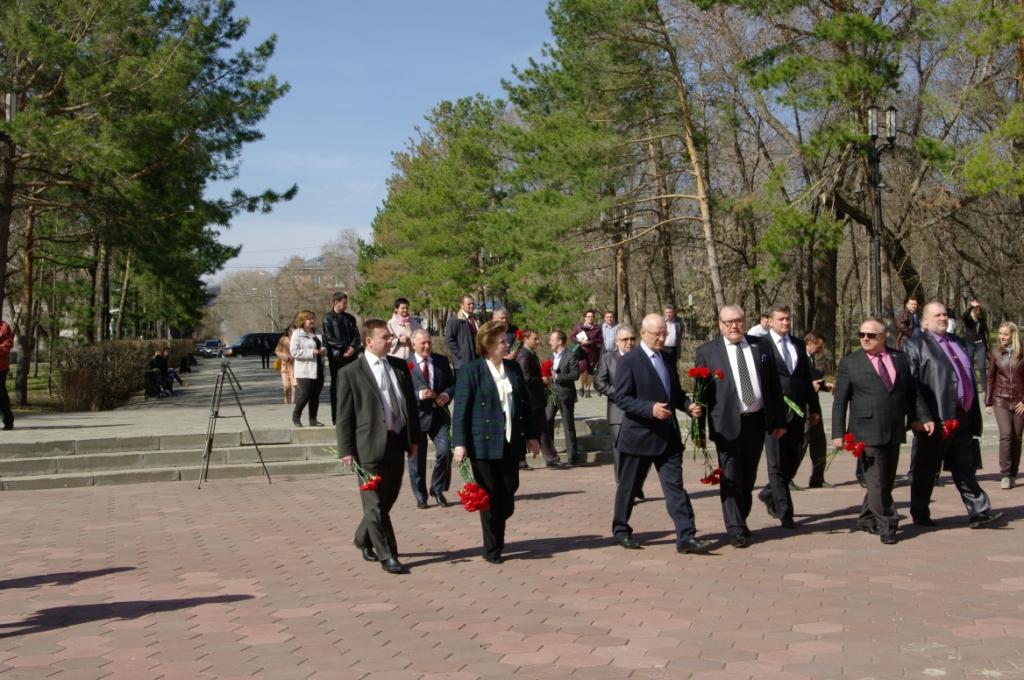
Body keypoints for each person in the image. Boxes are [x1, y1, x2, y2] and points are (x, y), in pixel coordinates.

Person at [612, 313, 712, 554]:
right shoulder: (629, 361)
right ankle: (621, 530)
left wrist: (688, 406)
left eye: (664, 334)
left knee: (675, 488)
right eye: (657, 334)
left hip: (668, 437)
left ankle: (686, 536)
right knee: (629, 487)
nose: (661, 338)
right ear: (643, 333)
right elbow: (622, 398)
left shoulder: (667, 357)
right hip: (639, 436)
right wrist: (650, 409)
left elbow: (674, 393)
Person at [694, 305, 786, 548]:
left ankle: (740, 518)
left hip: (756, 421)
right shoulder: (707, 352)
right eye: (729, 322)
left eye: (738, 321)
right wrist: (698, 429)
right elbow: (700, 394)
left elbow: (773, 385)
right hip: (725, 423)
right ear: (720, 324)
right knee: (731, 475)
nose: (734, 326)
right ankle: (735, 527)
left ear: (745, 322)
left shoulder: (761, 345)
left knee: (749, 474)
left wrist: (778, 420)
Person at [904, 301, 1000, 528]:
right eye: (937, 315)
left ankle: (979, 511)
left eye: (944, 314)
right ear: (925, 321)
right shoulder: (916, 345)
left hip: (963, 416)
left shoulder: (958, 342)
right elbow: (911, 385)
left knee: (965, 466)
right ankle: (920, 511)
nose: (942, 318)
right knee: (926, 468)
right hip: (935, 418)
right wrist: (920, 416)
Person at [452, 320, 541, 564]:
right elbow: (461, 410)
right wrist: (459, 443)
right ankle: (492, 548)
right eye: (502, 341)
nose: (507, 344)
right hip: (483, 444)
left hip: (511, 441)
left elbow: (524, 406)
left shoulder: (513, 368)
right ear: (488, 345)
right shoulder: (471, 370)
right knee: (489, 496)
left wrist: (532, 436)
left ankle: (497, 530)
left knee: (508, 492)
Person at [337, 319, 420, 575]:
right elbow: (344, 415)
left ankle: (363, 537)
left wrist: (414, 439)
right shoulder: (350, 372)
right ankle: (388, 555)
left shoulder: (399, 366)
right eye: (384, 337)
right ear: (368, 341)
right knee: (373, 503)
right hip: (368, 445)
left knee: (387, 498)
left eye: (390, 336)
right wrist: (346, 449)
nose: (390, 341)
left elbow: (410, 405)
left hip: (396, 441)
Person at [831, 318, 916, 544]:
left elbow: (911, 393)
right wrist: (838, 433)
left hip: (893, 428)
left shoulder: (899, 358)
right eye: (861, 335)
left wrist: (920, 418)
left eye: (871, 335)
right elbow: (840, 401)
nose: (865, 339)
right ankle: (888, 523)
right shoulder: (851, 362)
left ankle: (867, 517)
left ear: (883, 337)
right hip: (865, 431)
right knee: (877, 480)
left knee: (885, 480)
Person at [757, 304, 821, 528]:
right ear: (770, 321)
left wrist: (814, 408)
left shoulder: (798, 344)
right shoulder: (761, 346)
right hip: (774, 413)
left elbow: (805, 380)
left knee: (792, 461)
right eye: (781, 319)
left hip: (797, 412)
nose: (786, 322)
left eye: (788, 319)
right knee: (775, 463)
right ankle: (785, 511)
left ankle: (769, 492)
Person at [594, 325, 645, 499]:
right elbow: (599, 383)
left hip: (640, 412)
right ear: (617, 341)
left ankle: (636, 485)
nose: (629, 343)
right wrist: (620, 395)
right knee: (621, 453)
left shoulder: (642, 358)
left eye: (632, 339)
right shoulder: (608, 359)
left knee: (640, 453)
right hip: (618, 414)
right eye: (625, 339)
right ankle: (624, 491)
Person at [407, 329, 455, 508]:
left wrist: (446, 394)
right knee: (416, 461)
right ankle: (421, 496)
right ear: (413, 344)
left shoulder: (441, 361)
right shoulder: (405, 364)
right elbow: (400, 391)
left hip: (439, 416)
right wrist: (419, 395)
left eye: (429, 342)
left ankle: (437, 488)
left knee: (444, 452)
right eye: (423, 343)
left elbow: (452, 384)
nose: (427, 346)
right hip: (416, 418)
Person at [515, 330, 565, 468]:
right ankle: (521, 461)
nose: (538, 341)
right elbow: (526, 378)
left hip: (536, 400)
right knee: (527, 430)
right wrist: (542, 380)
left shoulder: (531, 354)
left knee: (543, 429)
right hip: (529, 400)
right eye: (535, 339)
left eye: (537, 339)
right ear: (525, 339)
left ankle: (551, 458)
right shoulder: (524, 355)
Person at [985, 322, 1024, 489]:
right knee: (1006, 434)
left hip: (1020, 401)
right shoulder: (995, 352)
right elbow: (990, 377)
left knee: (1017, 437)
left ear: (1013, 335)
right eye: (1000, 333)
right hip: (1000, 399)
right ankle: (1006, 474)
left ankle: (1013, 473)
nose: (1001, 337)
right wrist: (988, 401)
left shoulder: (1022, 353)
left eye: (1005, 334)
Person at [323, 292, 361, 425]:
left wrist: (352, 348)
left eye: (346, 303)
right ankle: (336, 416)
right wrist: (344, 348)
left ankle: (352, 415)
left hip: (351, 356)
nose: (346, 305)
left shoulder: (350, 318)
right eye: (344, 303)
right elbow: (329, 337)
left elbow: (357, 336)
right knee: (337, 386)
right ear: (336, 302)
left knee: (352, 385)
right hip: (337, 357)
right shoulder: (328, 318)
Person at [803, 331, 834, 488]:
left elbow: (813, 380)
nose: (820, 350)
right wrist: (811, 386)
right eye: (818, 346)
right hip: (803, 406)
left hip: (814, 405)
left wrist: (824, 386)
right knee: (801, 444)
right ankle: (787, 478)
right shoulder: (799, 358)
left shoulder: (811, 358)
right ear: (809, 343)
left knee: (819, 443)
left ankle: (817, 478)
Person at [546, 331, 580, 465]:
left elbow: (575, 374)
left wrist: (558, 377)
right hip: (551, 394)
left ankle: (572, 456)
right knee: (548, 420)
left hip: (565, 394)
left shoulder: (570, 355)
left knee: (568, 424)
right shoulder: (550, 356)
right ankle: (551, 455)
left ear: (560, 342)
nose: (550, 342)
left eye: (552, 340)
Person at [290, 310, 326, 428]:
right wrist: (312, 352)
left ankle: (313, 419)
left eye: (313, 318)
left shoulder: (318, 332)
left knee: (315, 395)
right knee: (306, 393)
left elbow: (323, 346)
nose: (312, 320)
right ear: (302, 320)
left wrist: (323, 351)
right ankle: (296, 416)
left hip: (318, 367)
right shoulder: (297, 334)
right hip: (304, 369)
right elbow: (294, 352)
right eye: (309, 318)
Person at [571, 310, 602, 398]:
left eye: (592, 316)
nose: (590, 318)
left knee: (590, 371)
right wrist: (578, 340)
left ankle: (587, 390)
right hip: (582, 352)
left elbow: (600, 340)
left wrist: (590, 342)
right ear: (585, 317)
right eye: (588, 316)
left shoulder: (597, 328)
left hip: (593, 352)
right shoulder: (578, 326)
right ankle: (581, 387)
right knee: (583, 370)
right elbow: (572, 337)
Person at [444, 294, 478, 374]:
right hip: (462, 365)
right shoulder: (455, 320)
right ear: (461, 305)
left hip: (476, 361)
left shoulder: (475, 319)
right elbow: (449, 340)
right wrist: (461, 354)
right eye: (469, 304)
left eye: (473, 303)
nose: (472, 306)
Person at [961, 299, 990, 389]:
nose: (976, 311)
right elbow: (964, 316)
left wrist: (986, 349)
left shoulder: (982, 320)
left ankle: (984, 386)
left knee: (982, 366)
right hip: (970, 343)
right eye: (975, 309)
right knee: (970, 365)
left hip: (980, 344)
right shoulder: (968, 319)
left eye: (978, 309)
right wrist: (971, 306)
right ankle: (972, 384)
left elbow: (983, 334)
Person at [275, 326, 297, 404]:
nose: (292, 333)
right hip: (285, 365)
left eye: (294, 331)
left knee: (294, 384)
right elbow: (277, 351)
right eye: (291, 331)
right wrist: (286, 356)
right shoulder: (283, 339)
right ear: (288, 332)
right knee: (287, 385)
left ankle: (293, 401)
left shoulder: (298, 339)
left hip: (295, 365)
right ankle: (286, 397)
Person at [662, 305, 683, 369]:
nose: (668, 314)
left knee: (673, 367)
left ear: (673, 313)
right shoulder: (661, 321)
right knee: (664, 367)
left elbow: (680, 333)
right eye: (667, 312)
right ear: (664, 313)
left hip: (675, 349)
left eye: (670, 312)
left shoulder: (679, 321)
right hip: (663, 348)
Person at [0, 318, 12, 429]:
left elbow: (7, 345)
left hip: (1, 366)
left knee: (1, 394)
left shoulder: (4, 327)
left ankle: (8, 420)